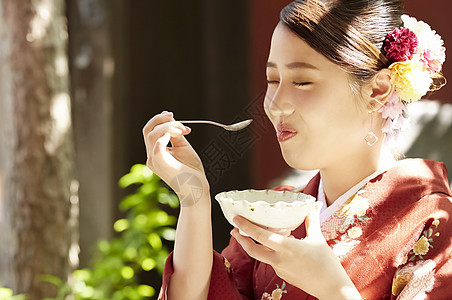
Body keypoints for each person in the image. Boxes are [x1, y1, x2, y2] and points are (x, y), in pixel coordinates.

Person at [142, 0, 452, 299]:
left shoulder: (433, 221)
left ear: (378, 89)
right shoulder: (275, 213)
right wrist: (192, 197)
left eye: (302, 81)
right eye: (272, 79)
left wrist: (333, 290)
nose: (275, 105)